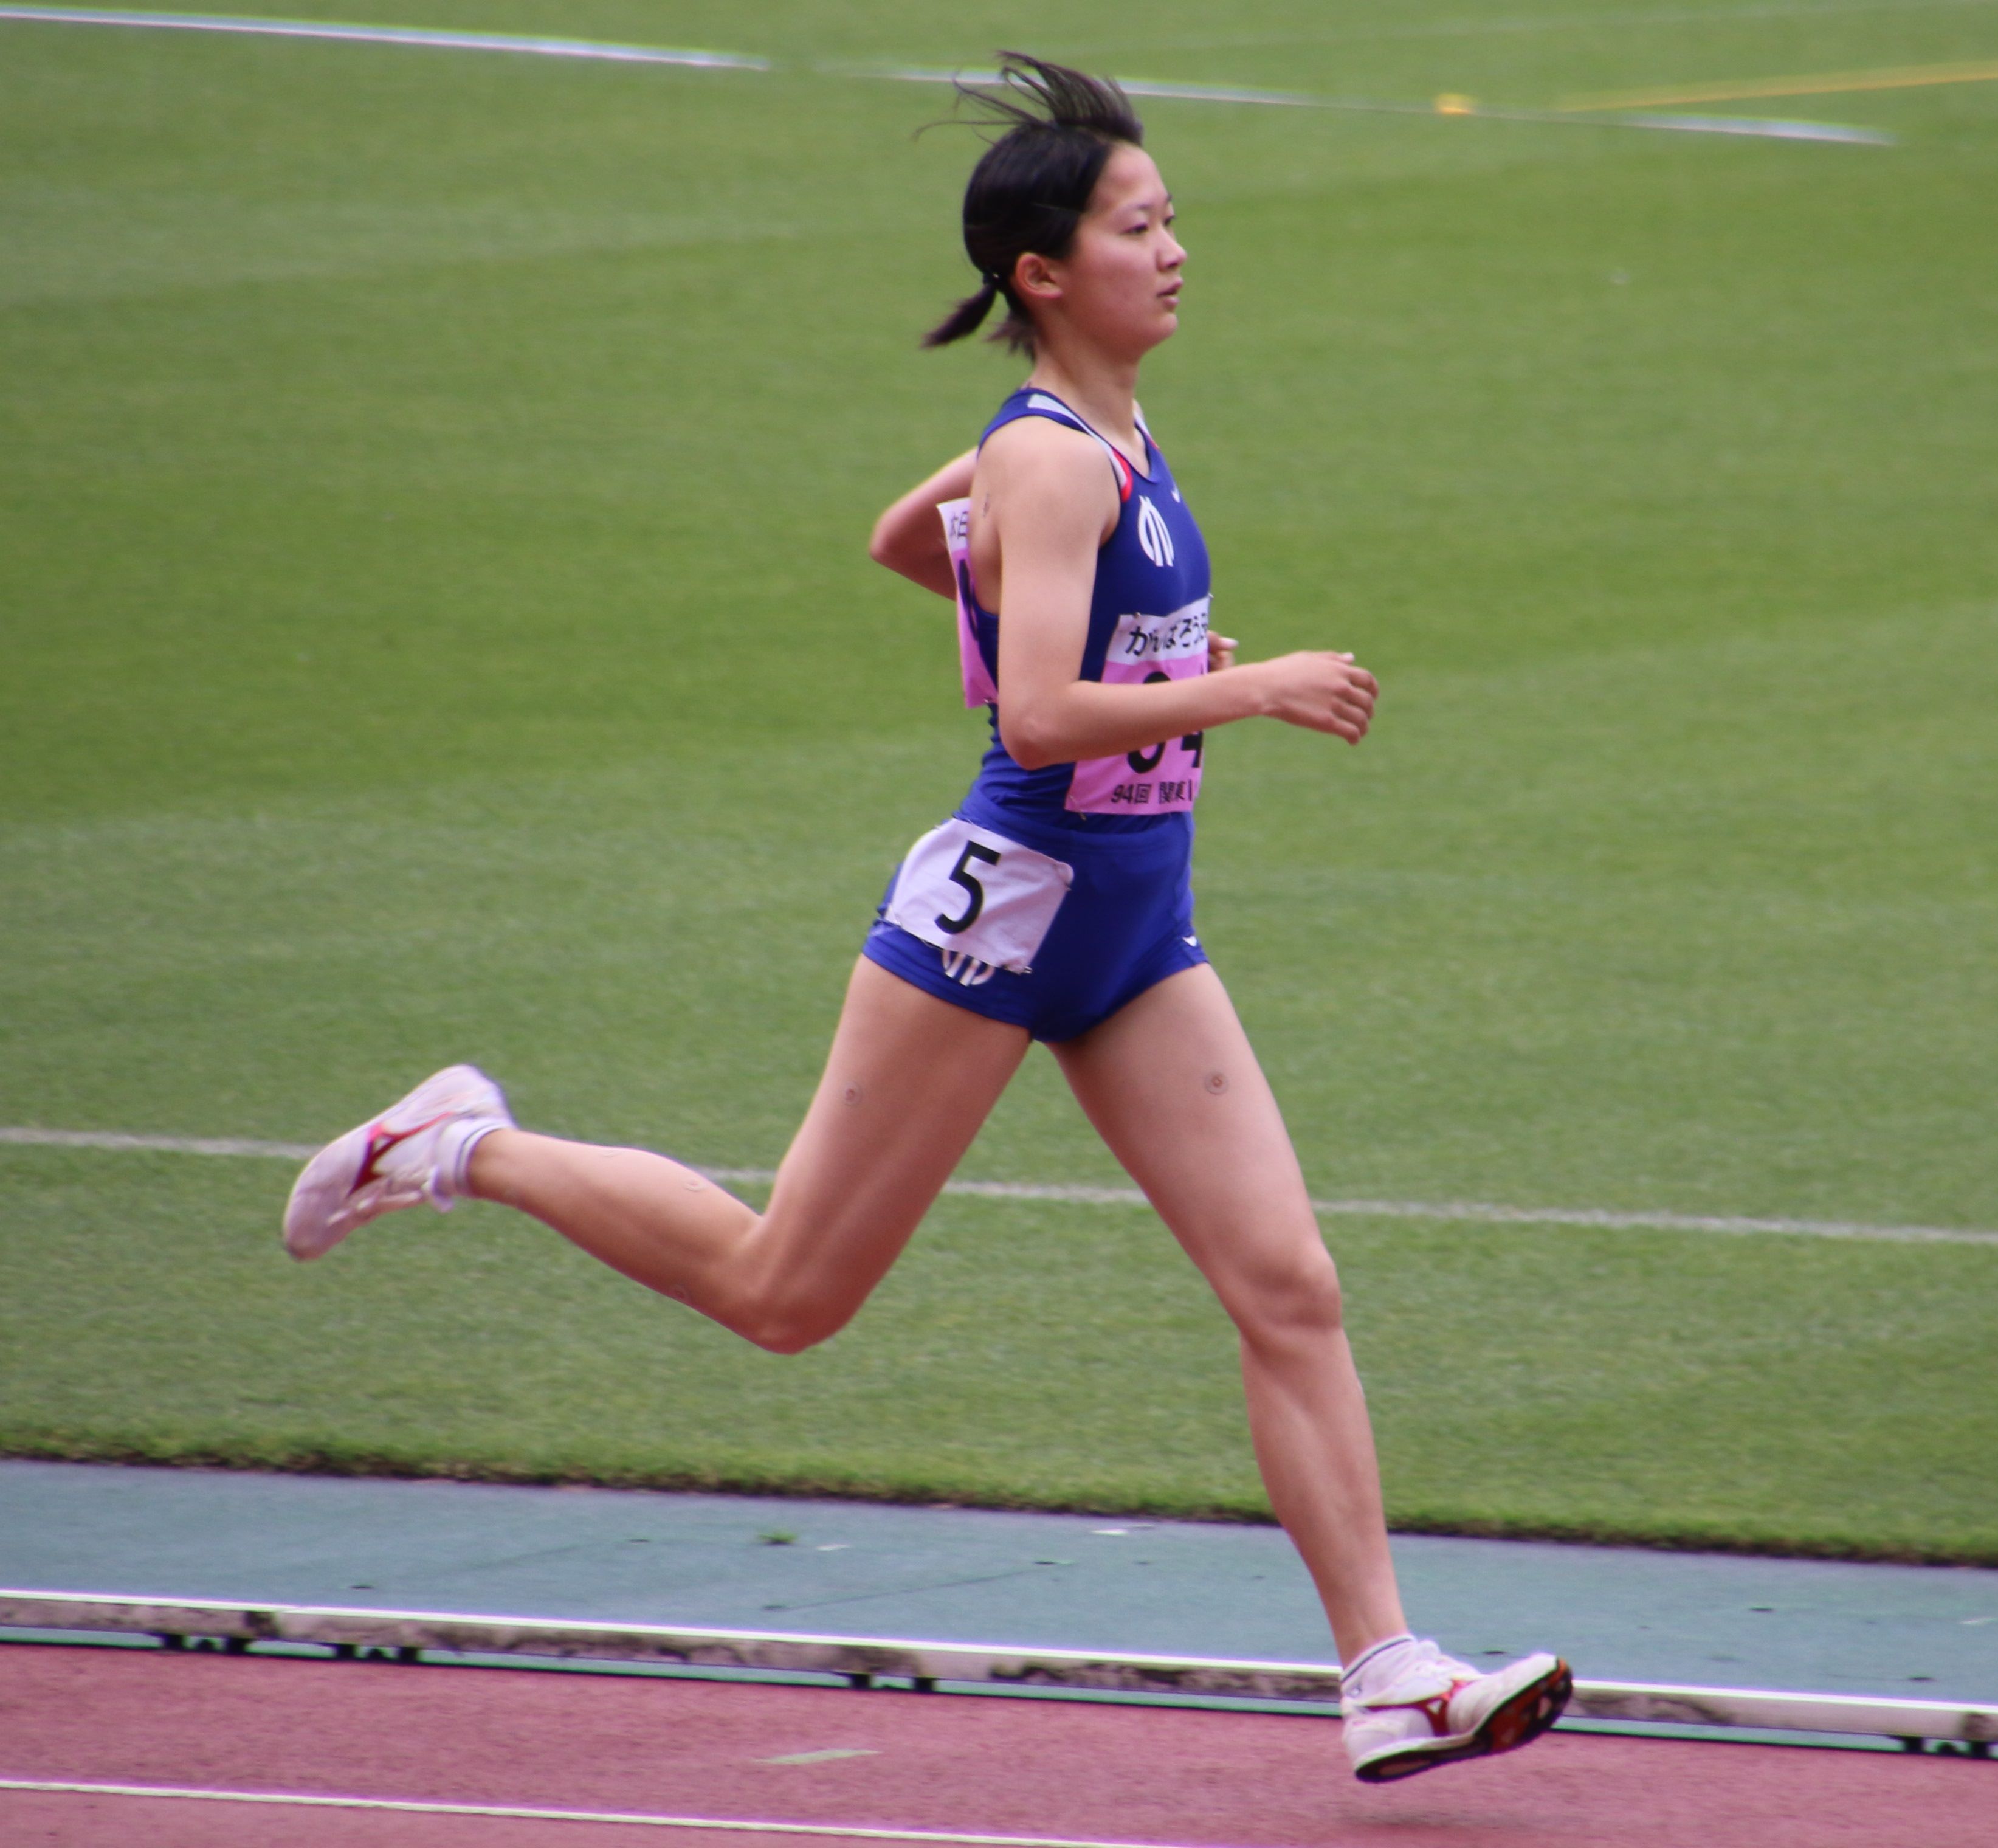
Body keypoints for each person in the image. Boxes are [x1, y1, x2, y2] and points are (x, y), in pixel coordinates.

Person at [281, 54, 1570, 1784]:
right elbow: (1037, 718)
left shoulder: (1095, 438)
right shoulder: (1058, 463)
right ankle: (463, 1145)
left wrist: (1047, 591)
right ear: (1044, 275)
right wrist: (1239, 685)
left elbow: (912, 538)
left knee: (1289, 1283)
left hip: (1133, 933)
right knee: (784, 1292)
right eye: (1138, 225)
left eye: (1173, 216)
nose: (1175, 248)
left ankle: (1390, 1670)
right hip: (1004, 913)